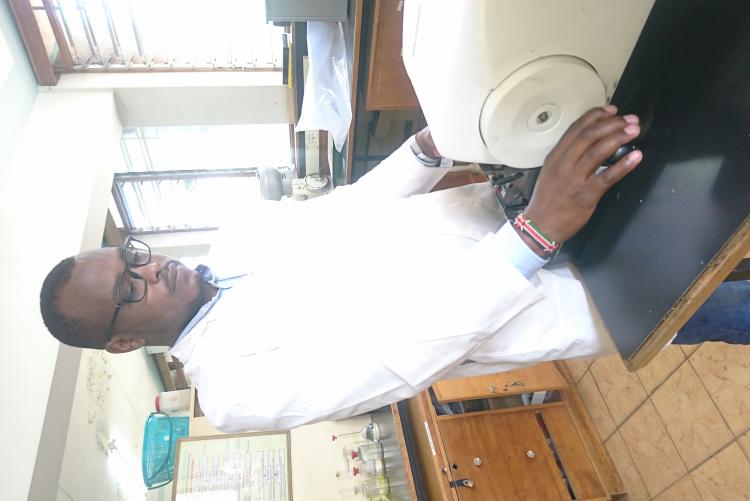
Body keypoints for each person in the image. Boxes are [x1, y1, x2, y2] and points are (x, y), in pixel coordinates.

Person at [39, 106, 733, 433]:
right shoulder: (232, 390)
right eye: (132, 288)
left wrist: (428, 147)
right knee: (720, 299)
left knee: (716, 211)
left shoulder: (233, 240)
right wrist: (535, 234)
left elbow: (349, 210)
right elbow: (406, 352)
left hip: (527, 207)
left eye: (133, 255)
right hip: (550, 284)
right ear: (124, 341)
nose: (151, 267)